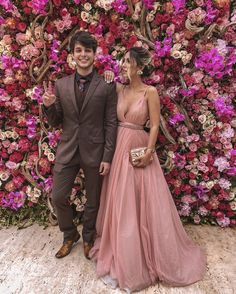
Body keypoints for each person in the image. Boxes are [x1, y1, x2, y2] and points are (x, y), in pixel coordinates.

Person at [89, 47, 206, 292]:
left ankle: (145, 255)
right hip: (118, 148)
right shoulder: (119, 89)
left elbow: (154, 125)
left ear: (140, 68)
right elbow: (100, 96)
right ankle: (122, 250)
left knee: (141, 200)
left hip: (139, 149)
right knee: (119, 198)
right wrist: (108, 73)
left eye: (127, 62)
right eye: (121, 61)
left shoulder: (149, 92)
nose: (123, 65)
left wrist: (149, 152)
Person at [42, 31, 117, 259]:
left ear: (94, 54)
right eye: (78, 50)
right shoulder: (61, 85)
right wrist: (49, 106)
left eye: (87, 50)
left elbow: (111, 122)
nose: (83, 54)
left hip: (95, 150)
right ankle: (69, 234)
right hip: (68, 149)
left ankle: (88, 238)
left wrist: (107, 156)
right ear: (72, 55)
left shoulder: (106, 84)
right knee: (57, 196)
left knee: (93, 199)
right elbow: (57, 122)